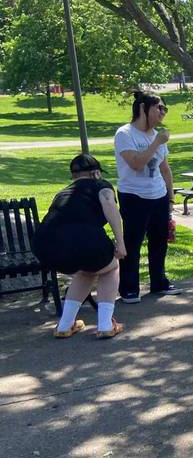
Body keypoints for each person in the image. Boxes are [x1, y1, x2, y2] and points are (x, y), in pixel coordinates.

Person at [34, 154, 126, 338]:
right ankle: (106, 324)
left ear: (73, 176)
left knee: (87, 270)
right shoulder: (101, 185)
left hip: (44, 245)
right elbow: (108, 203)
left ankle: (65, 325)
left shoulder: (63, 193)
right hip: (83, 240)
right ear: (96, 173)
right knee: (111, 267)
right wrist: (120, 242)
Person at [114, 90, 177, 303]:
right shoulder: (125, 134)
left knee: (159, 241)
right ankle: (129, 288)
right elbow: (136, 163)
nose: (163, 113)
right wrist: (156, 142)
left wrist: (170, 198)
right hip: (133, 196)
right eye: (159, 107)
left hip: (158, 195)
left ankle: (159, 282)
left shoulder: (156, 136)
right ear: (143, 108)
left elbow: (165, 169)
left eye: (164, 109)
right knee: (132, 243)